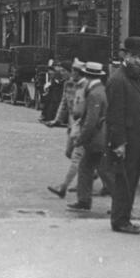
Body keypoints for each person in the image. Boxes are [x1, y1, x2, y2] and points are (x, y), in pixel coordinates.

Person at [105, 36, 140, 235]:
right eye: (134, 56)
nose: (138, 60)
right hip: (127, 141)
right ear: (124, 55)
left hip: (138, 140)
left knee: (130, 180)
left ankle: (123, 218)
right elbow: (115, 115)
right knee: (124, 181)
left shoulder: (133, 77)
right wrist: (119, 143)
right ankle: (120, 221)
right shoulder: (118, 80)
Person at [66, 62, 114, 212]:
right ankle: (84, 200)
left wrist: (81, 139)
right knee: (86, 167)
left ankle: (120, 203)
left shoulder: (94, 93)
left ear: (87, 76)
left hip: (96, 138)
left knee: (104, 171)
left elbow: (91, 121)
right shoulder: (99, 89)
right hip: (99, 137)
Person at [47, 59, 88, 198]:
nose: (62, 73)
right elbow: (64, 104)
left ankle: (63, 187)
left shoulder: (85, 86)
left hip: (82, 126)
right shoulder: (68, 84)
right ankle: (91, 173)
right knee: (69, 152)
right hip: (72, 125)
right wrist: (57, 120)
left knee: (77, 157)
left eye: (65, 71)